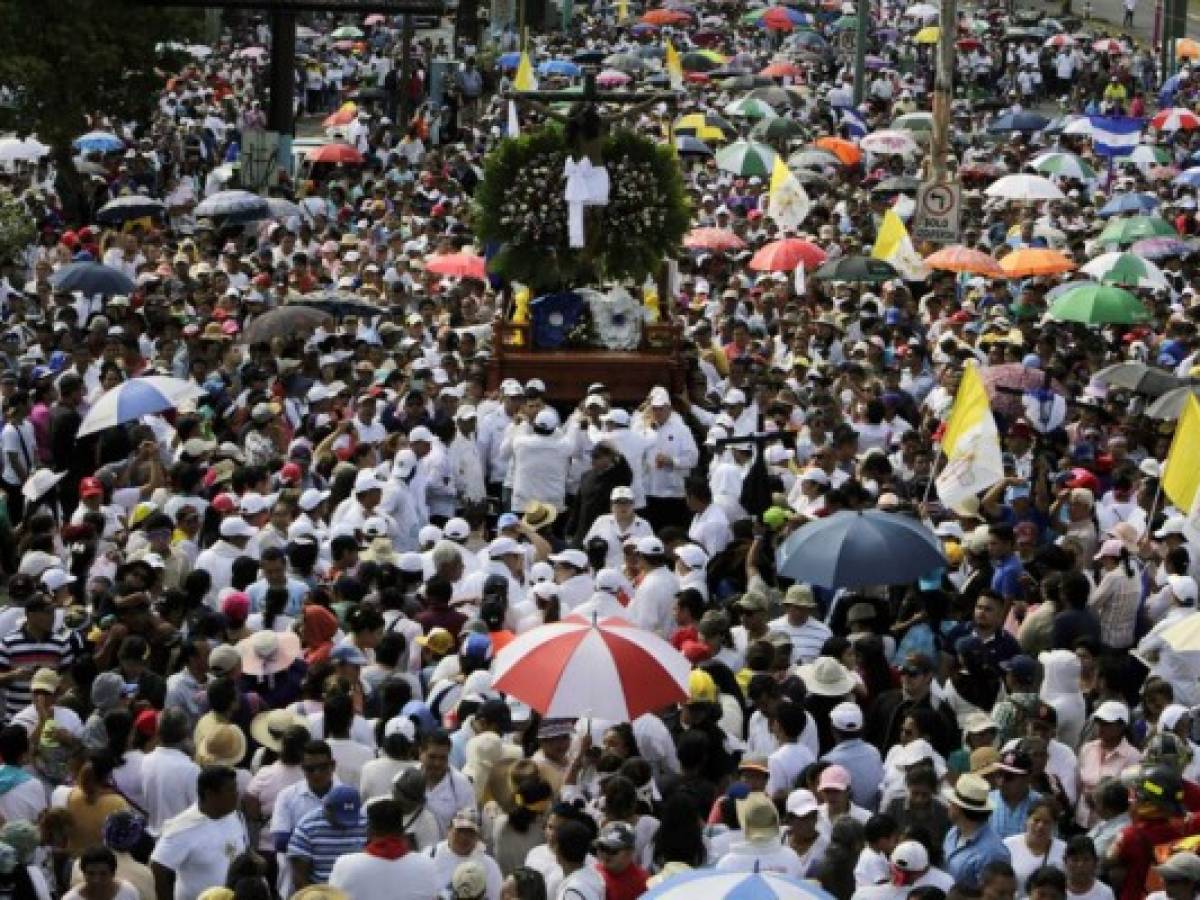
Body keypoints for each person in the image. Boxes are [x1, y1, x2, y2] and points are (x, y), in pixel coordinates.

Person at [150, 766, 249, 900]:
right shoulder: (183, 828)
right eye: (230, 790)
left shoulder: (235, 816)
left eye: (235, 789)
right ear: (210, 794)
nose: (236, 794)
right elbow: (159, 867)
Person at [287, 784, 368, 890]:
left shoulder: (366, 823)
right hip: (322, 893)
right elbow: (299, 876)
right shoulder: (307, 826)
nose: (345, 825)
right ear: (327, 808)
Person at [943, 774, 1011, 893]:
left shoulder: (993, 853)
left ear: (958, 808)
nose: (949, 806)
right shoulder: (953, 832)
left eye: (951, 802)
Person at [63, 847, 141, 900]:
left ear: (113, 873)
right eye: (91, 874)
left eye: (103, 874)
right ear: (83, 873)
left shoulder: (128, 892)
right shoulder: (70, 898)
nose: (96, 880)